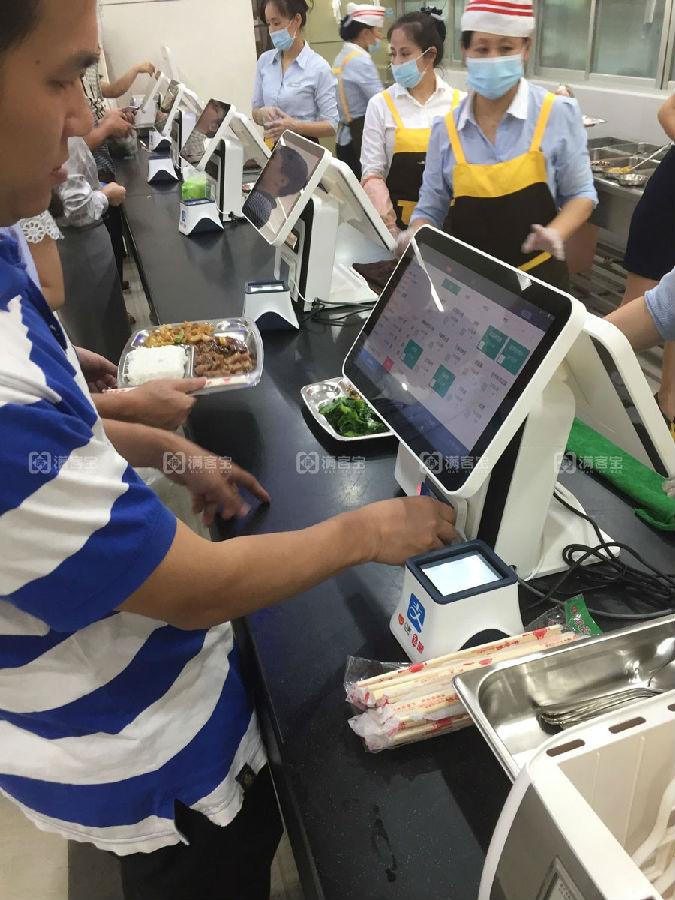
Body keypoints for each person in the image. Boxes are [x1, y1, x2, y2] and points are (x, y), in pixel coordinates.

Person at [0, 6, 456, 900]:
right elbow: (190, 590)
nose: (84, 119)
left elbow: (58, 440)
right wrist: (366, 530)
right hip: (142, 755)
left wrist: (174, 453)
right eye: (60, 81)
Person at [404, 0, 597, 290]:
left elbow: (581, 194)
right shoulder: (447, 131)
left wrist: (556, 232)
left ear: (526, 48)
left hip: (541, 283)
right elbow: (430, 209)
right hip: (469, 285)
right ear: (465, 50)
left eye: (506, 48)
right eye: (482, 49)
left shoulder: (556, 113)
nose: (493, 58)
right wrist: (415, 233)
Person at [360, 8, 463, 239]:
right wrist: (391, 230)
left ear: (430, 55)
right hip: (399, 228)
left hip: (452, 230)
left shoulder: (459, 105)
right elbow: (372, 174)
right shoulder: (380, 105)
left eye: (405, 54)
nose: (396, 62)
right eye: (393, 54)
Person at [621, 95, 675, 425]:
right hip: (668, 200)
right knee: (638, 304)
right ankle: (605, 395)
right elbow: (667, 111)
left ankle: (668, 404)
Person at [53, 136, 131, 361]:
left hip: (83, 243)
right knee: (99, 338)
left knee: (108, 329)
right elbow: (74, 208)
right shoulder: (64, 139)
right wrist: (105, 196)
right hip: (79, 245)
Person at [252, 0, 339, 145]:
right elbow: (255, 111)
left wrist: (294, 126)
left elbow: (332, 125)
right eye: (268, 24)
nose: (271, 31)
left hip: (303, 149)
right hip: (270, 146)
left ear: (297, 20)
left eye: (276, 23)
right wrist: (261, 114)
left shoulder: (318, 67)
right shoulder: (265, 61)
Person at [332, 3, 385, 180]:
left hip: (344, 138)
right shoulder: (361, 61)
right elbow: (381, 102)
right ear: (365, 33)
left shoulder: (343, 56)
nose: (380, 37)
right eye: (377, 31)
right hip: (359, 141)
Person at [244, 143, 309, 229]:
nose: (266, 158)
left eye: (272, 157)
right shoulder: (257, 197)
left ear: (282, 181)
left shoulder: (258, 205)